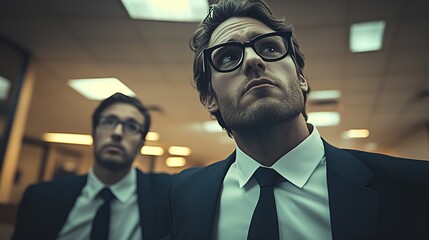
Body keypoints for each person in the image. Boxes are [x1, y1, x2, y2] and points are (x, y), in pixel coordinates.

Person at [168, 0, 429, 239]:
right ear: (209, 98)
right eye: (228, 57)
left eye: (269, 47)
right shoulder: (186, 193)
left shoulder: (411, 187)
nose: (253, 60)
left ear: (301, 78)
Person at [13, 93, 172, 240]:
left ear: (141, 144)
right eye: (109, 122)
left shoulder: (166, 196)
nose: (117, 133)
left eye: (132, 126)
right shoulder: (41, 198)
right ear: (93, 133)